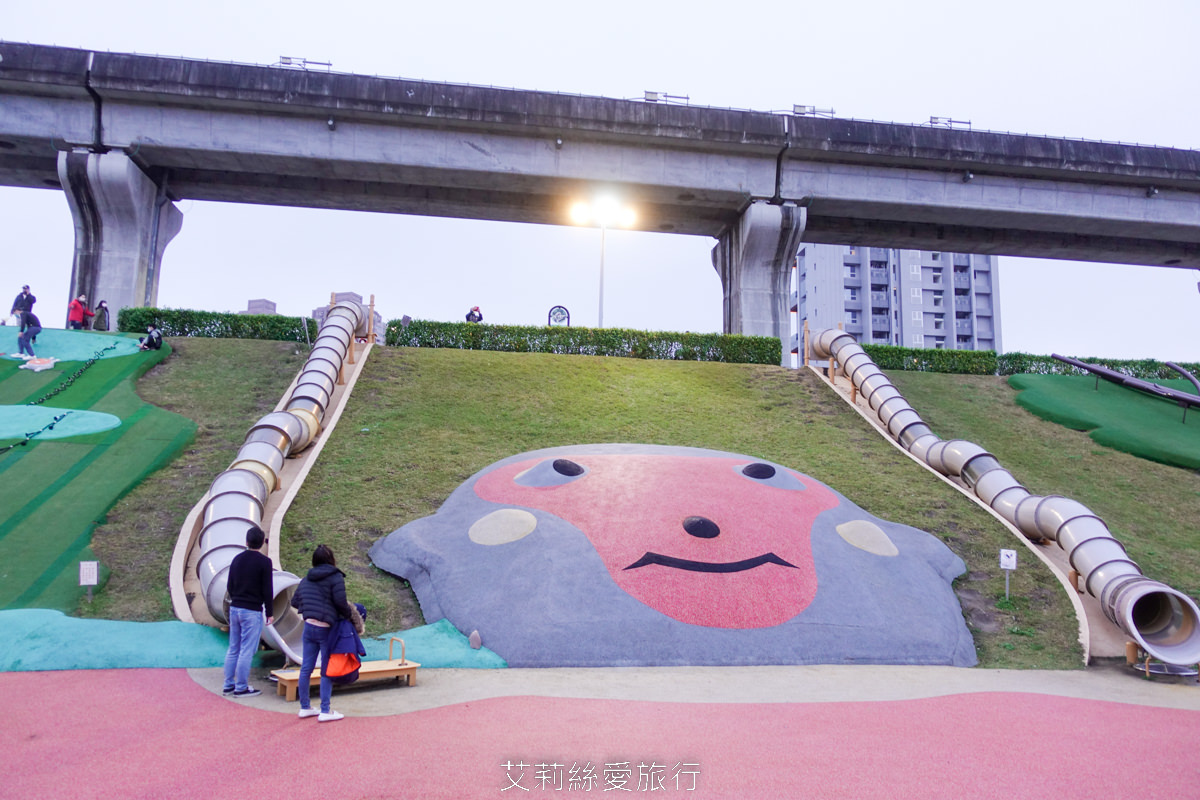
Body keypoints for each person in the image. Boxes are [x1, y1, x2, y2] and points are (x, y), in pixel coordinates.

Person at [290, 544, 354, 722]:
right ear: (331, 559)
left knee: (306, 669)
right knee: (326, 669)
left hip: (308, 627)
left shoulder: (306, 579)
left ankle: (305, 707)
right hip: (326, 629)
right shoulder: (335, 577)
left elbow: (295, 602)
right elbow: (341, 602)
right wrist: (349, 616)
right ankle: (325, 710)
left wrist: (309, 609)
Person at [221, 525, 275, 698]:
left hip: (235, 608)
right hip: (251, 611)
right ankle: (241, 686)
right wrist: (270, 612)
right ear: (261, 544)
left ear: (246, 541)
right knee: (246, 650)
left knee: (233, 648)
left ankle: (228, 684)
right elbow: (268, 589)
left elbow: (229, 586)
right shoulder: (265, 562)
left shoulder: (237, 559)